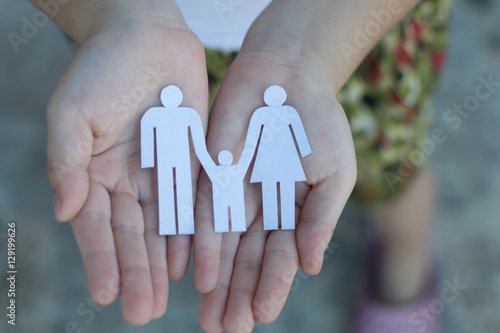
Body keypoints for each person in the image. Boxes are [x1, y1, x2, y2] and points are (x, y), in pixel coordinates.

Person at [35, 0, 450, 332]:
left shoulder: (280, 112)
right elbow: (195, 141)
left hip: (347, 30)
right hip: (148, 42)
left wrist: (310, 52)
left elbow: (272, 136)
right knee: (197, 197)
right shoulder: (163, 111)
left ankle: (406, 257)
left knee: (385, 172)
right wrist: (111, 13)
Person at [141, 85, 210, 235]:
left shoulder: (187, 114)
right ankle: (169, 225)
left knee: (179, 187)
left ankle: (182, 225)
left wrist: (207, 163)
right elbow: (146, 132)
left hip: (178, 157)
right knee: (169, 188)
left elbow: (199, 144)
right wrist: (148, 160)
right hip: (169, 157)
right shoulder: (155, 114)